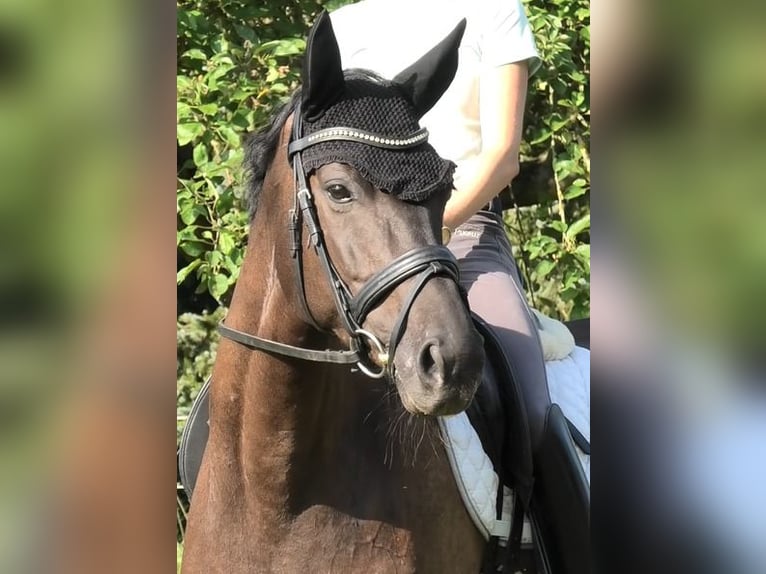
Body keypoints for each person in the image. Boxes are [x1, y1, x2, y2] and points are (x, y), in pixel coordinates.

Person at [330, 0, 552, 447]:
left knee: (529, 401)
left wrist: (432, 228)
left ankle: (558, 512)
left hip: (464, 231)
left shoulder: (495, 11)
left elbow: (502, 157)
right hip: (358, 243)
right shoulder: (338, 27)